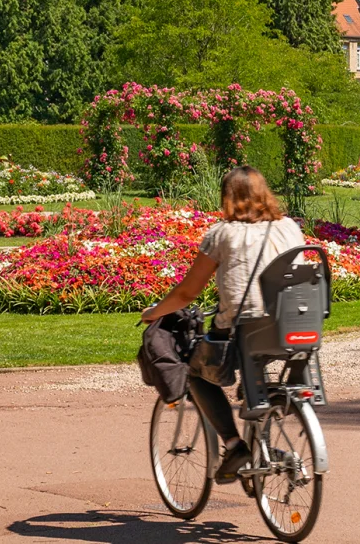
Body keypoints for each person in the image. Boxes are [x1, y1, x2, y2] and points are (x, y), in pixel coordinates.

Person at [141, 166, 304, 485]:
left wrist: (154, 312)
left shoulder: (222, 234)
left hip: (246, 328)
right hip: (293, 324)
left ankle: (234, 444)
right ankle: (264, 432)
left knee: (195, 373)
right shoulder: (289, 227)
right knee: (258, 367)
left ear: (227, 197)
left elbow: (187, 293)